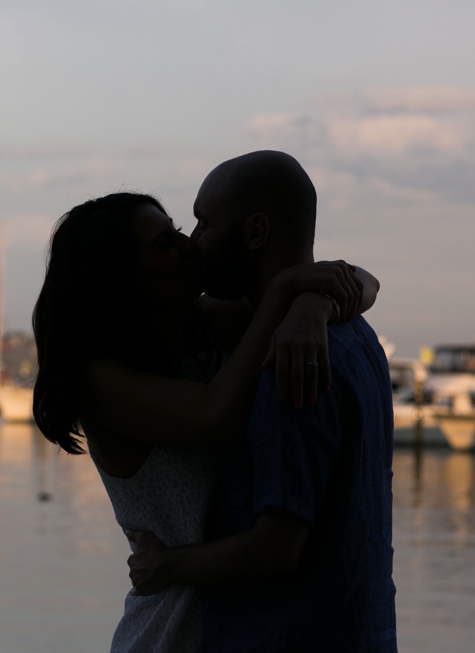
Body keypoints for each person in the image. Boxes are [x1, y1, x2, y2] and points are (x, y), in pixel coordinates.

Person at [32, 187, 379, 652]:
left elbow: (361, 281)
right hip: (172, 631)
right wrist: (283, 294)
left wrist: (313, 306)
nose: (187, 244)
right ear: (117, 278)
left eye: (176, 230)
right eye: (163, 243)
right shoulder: (102, 382)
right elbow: (217, 415)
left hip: (235, 622)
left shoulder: (204, 327)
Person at [126, 151, 397, 652]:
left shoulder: (287, 362)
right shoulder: (357, 336)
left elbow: (275, 547)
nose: (194, 241)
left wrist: (165, 564)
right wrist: (314, 299)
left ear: (255, 233)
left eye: (204, 224)